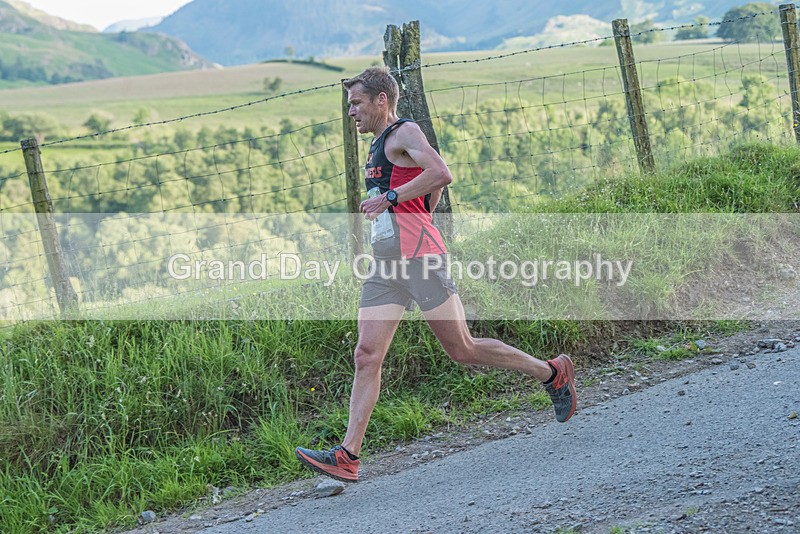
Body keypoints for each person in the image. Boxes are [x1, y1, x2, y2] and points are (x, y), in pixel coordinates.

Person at [295, 67, 576, 483]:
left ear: (381, 100)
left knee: (462, 348)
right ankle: (348, 456)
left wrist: (392, 199)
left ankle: (552, 373)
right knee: (366, 354)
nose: (351, 110)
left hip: (422, 257)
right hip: (386, 264)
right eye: (350, 103)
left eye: (357, 102)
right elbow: (428, 189)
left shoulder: (403, 133)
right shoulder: (376, 145)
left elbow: (441, 174)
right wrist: (407, 205)